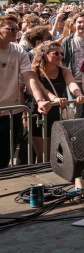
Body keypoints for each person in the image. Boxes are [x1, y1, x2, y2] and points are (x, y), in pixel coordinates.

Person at [0, 15, 46, 168]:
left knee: (4, 158)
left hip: (11, 114)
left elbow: (29, 78)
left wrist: (39, 100)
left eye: (17, 28)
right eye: (11, 28)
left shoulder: (19, 51)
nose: (16, 31)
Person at [30, 41, 84, 161]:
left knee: (56, 153)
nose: (60, 56)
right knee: (43, 155)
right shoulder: (35, 71)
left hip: (57, 113)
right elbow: (42, 89)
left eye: (61, 53)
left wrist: (79, 94)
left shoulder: (64, 71)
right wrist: (55, 99)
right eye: (56, 53)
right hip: (40, 113)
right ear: (45, 54)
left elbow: (72, 85)